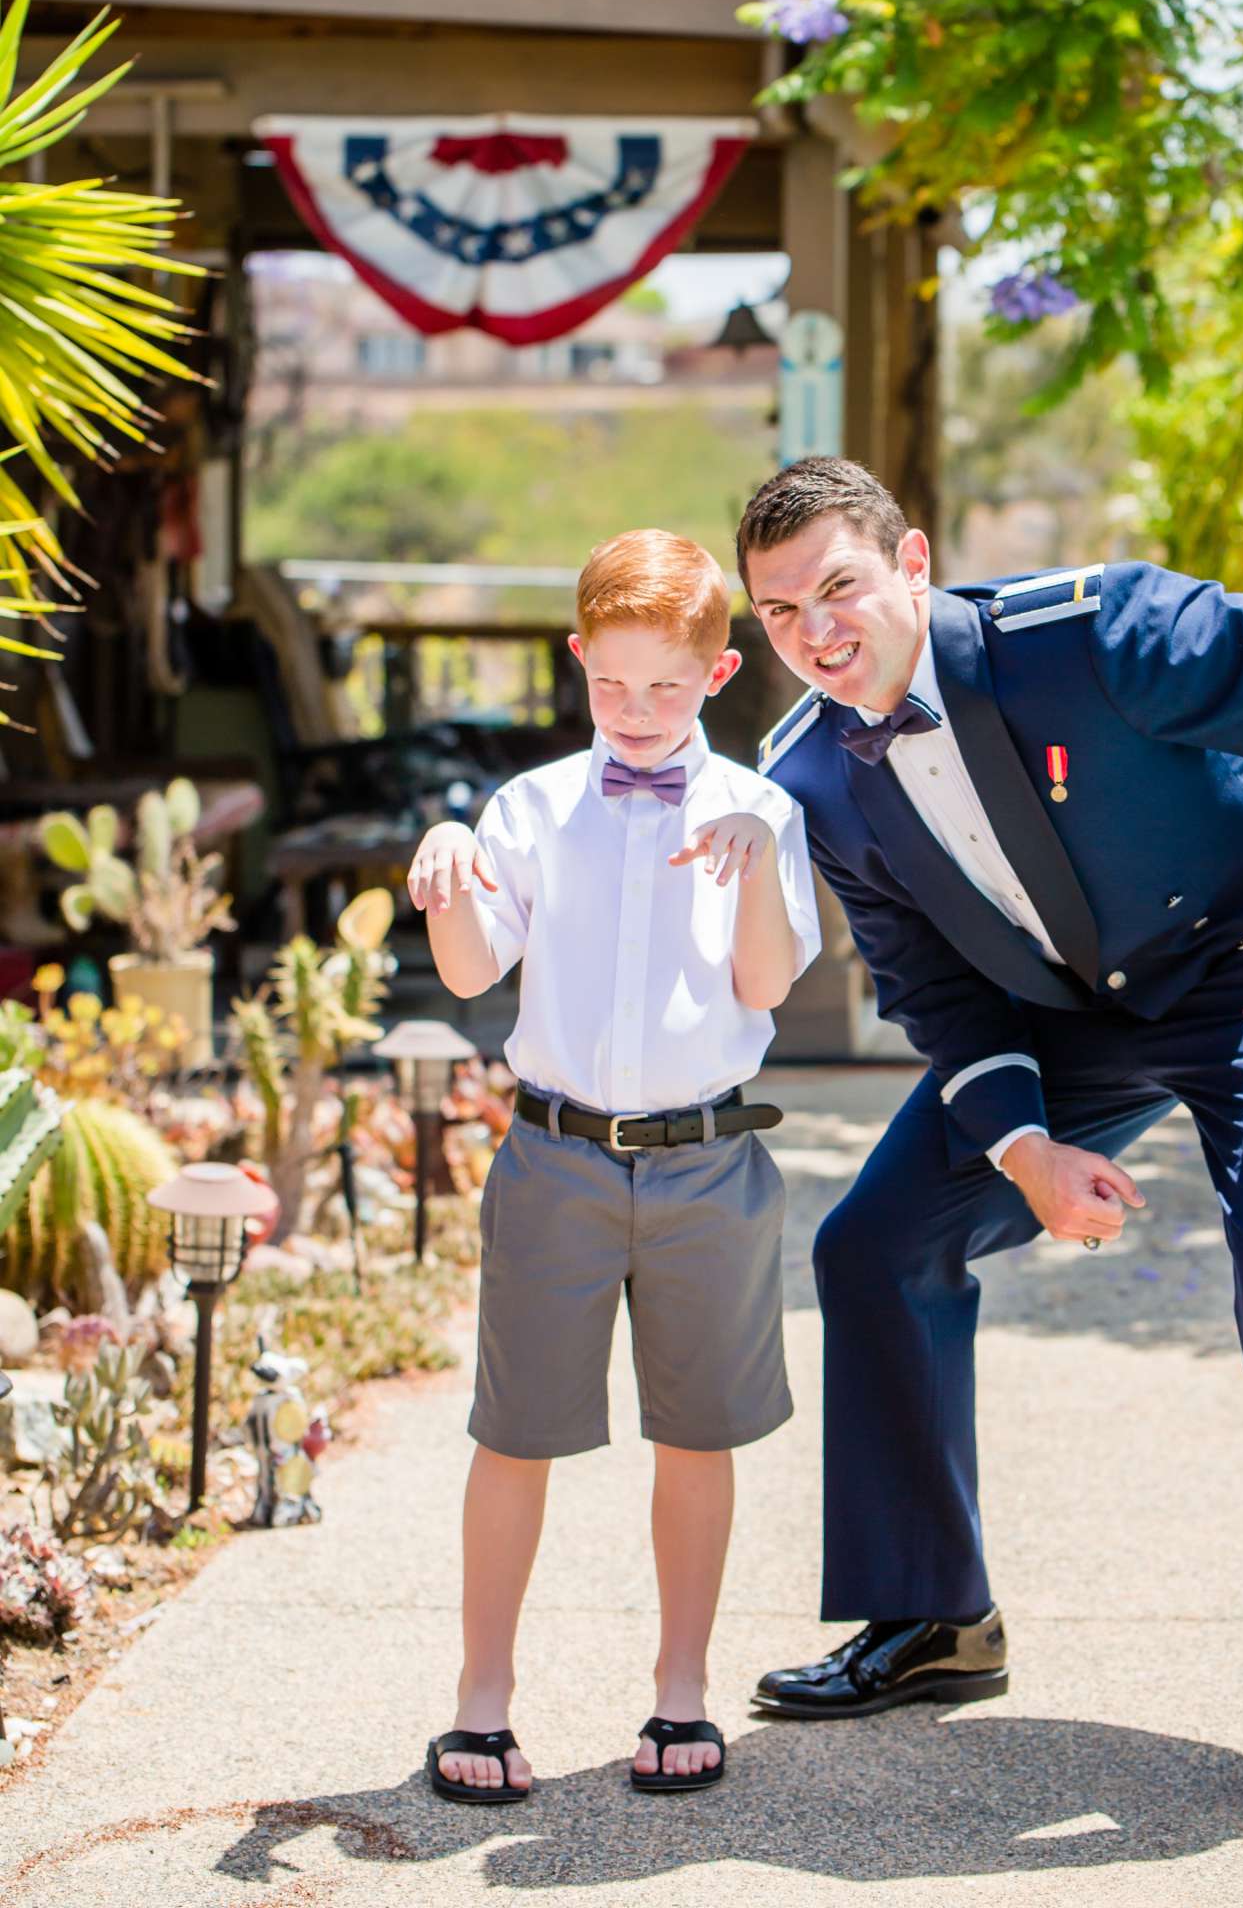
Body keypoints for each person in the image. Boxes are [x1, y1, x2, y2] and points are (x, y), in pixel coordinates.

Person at [736, 457, 1243, 1838]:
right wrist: (1026, 1153)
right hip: (1077, 1012)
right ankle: (935, 1621)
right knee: (872, 1246)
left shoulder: (1095, 633)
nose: (817, 633)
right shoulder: (812, 773)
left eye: (839, 587)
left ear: (913, 561)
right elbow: (933, 985)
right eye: (777, 612)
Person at [407, 528, 820, 1802]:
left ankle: (680, 1690)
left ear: (718, 671)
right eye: (611, 685)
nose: (637, 715)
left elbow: (764, 984)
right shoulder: (529, 807)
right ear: (578, 659)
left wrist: (752, 876)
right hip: (556, 1158)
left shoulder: (764, 809)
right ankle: (482, 1703)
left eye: (666, 687)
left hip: (707, 1166)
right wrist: (443, 877)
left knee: (697, 1436)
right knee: (514, 1432)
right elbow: (475, 970)